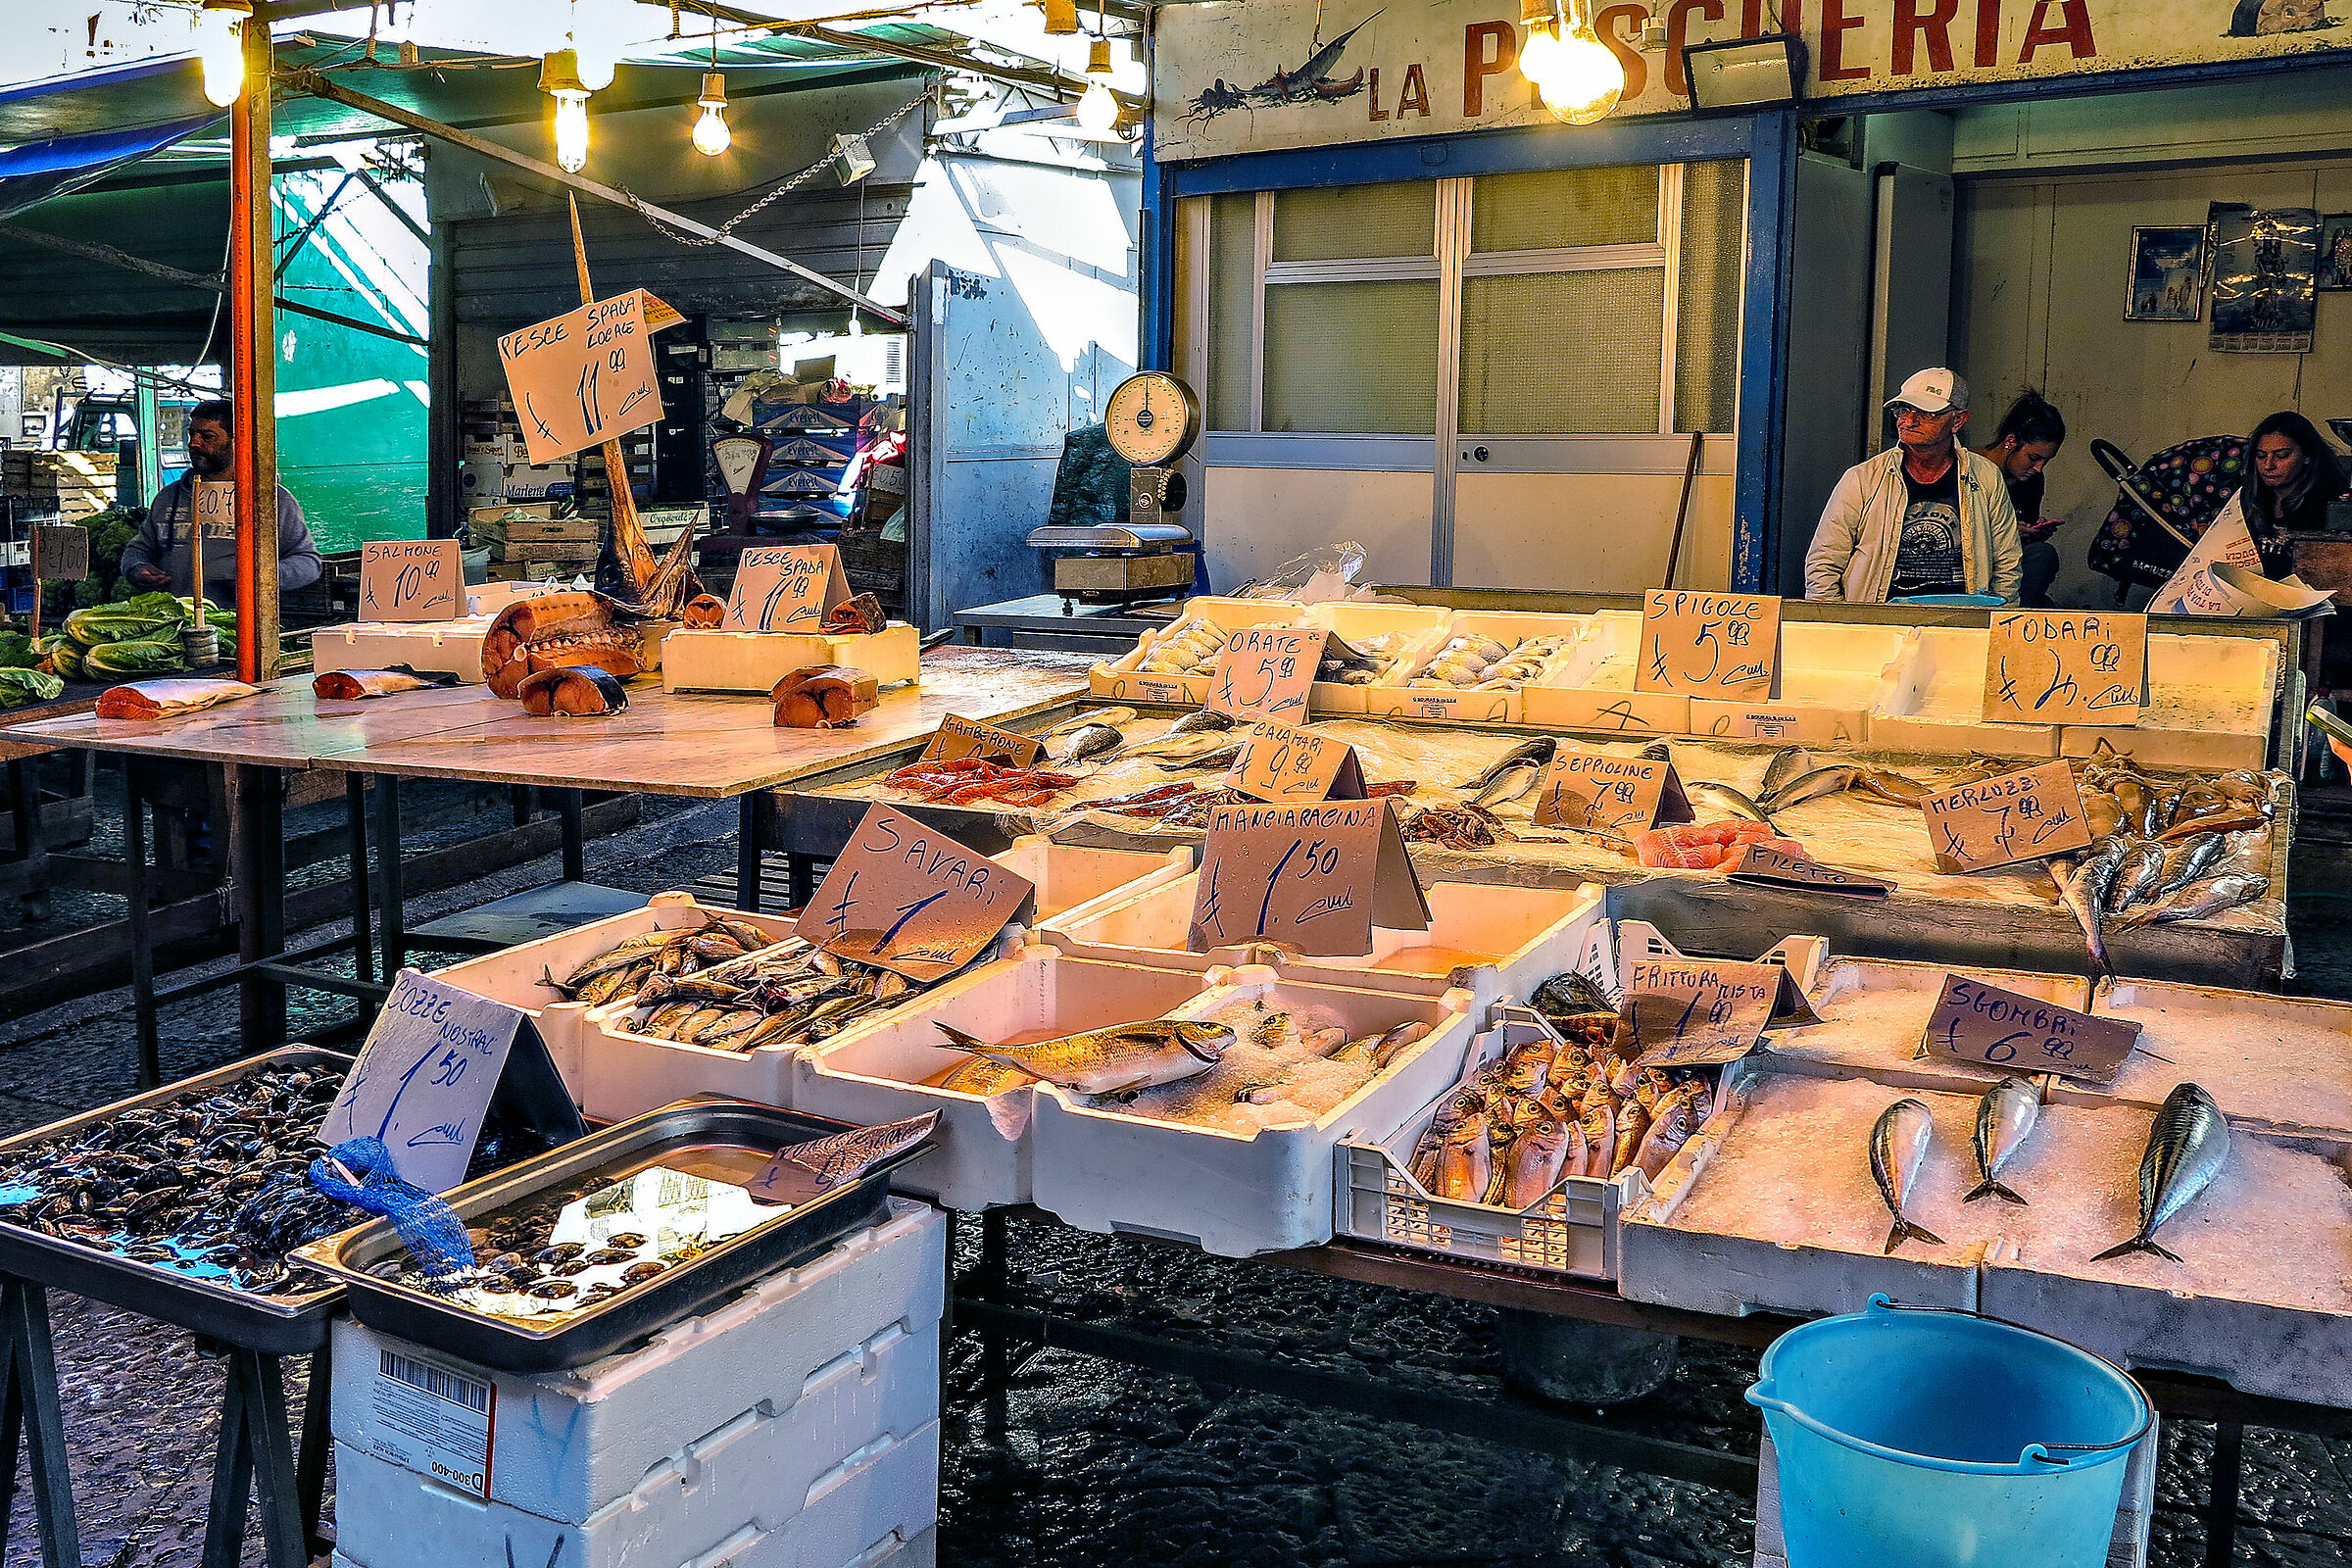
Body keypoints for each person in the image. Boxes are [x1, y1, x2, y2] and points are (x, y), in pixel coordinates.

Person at [1803, 368, 2022, 605]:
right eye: (1903, 410)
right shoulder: (1863, 478)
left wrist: (1997, 622)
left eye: (1926, 413)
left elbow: (2007, 562)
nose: (1908, 421)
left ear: (1958, 420)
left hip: (1961, 623)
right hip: (1879, 623)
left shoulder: (1986, 476)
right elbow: (1824, 561)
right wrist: (1837, 623)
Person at [122, 399, 322, 599]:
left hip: (237, 625)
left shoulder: (271, 500)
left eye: (207, 436)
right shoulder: (168, 497)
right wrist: (138, 568)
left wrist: (264, 578)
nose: (194, 443)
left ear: (236, 441)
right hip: (175, 621)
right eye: (192, 434)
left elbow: (309, 562)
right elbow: (138, 549)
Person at [1975, 390, 2068, 608]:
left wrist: (2032, 531)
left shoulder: (2032, 481)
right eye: (2034, 458)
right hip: (1970, 560)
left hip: (2009, 564)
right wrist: (2004, 531)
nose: (2038, 468)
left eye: (2046, 461)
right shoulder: (1971, 467)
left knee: (2042, 556)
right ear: (2010, 441)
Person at [2236, 410, 2348, 576]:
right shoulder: (2247, 498)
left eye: (2282, 456)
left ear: (2307, 456)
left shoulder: (2328, 503)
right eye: (2261, 456)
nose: (2268, 465)